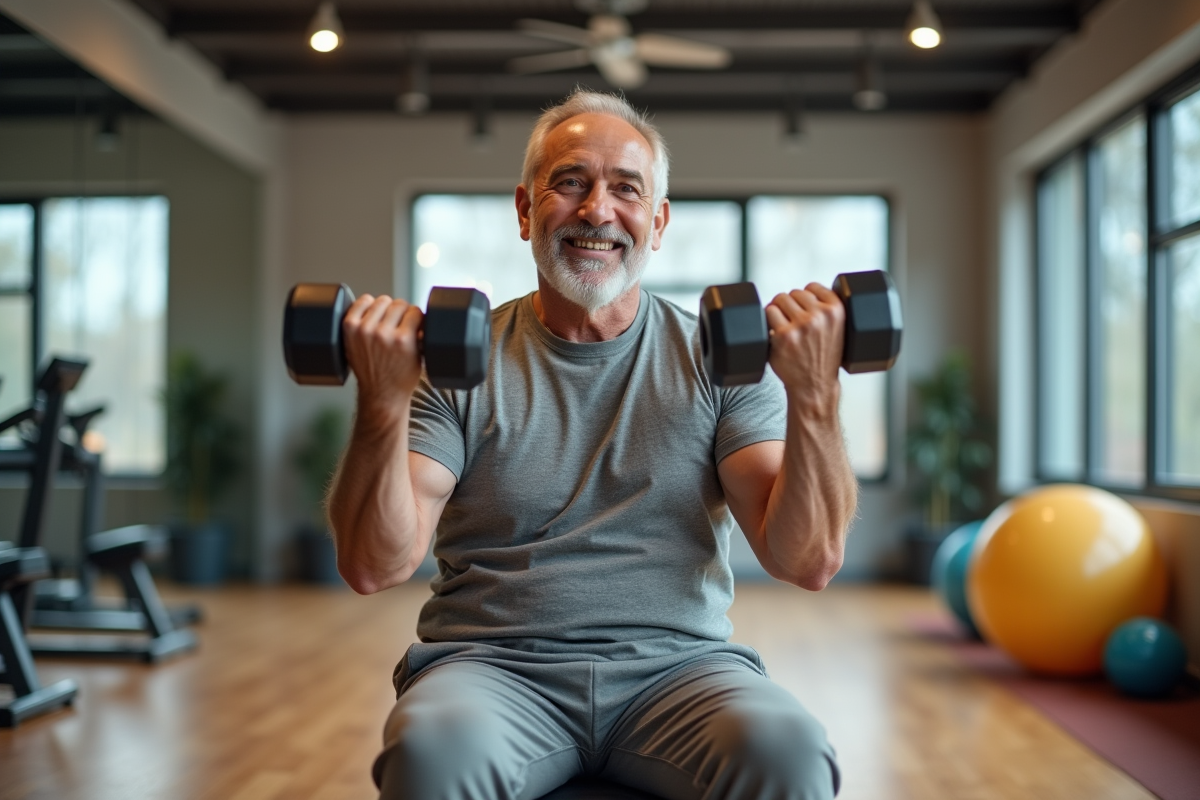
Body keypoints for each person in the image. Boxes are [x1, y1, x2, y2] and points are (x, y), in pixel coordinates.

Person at [327, 89, 857, 800]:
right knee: (431, 752)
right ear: (524, 210)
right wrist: (382, 400)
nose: (597, 210)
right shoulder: (461, 362)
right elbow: (373, 563)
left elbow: (808, 560)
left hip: (681, 672)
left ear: (658, 222)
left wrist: (815, 397)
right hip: (492, 670)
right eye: (570, 182)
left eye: (626, 190)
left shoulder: (718, 358)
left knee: (787, 751)